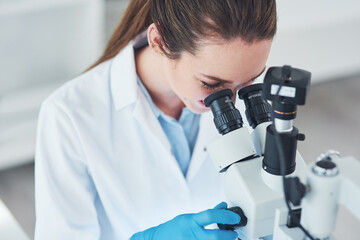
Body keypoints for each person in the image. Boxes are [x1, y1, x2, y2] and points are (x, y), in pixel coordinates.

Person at [34, 0, 277, 239]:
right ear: (159, 42)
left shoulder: (242, 83)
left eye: (249, 81)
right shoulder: (68, 115)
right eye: (211, 84)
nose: (233, 101)